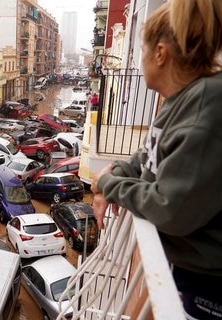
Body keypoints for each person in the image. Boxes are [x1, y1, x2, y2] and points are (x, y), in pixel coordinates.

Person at [90, 1, 222, 319]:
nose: (140, 59)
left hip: (205, 287)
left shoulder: (207, 104)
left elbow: (170, 208)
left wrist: (109, 183)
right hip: (183, 266)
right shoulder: (183, 99)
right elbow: (148, 154)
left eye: (142, 49)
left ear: (161, 53)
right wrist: (120, 170)